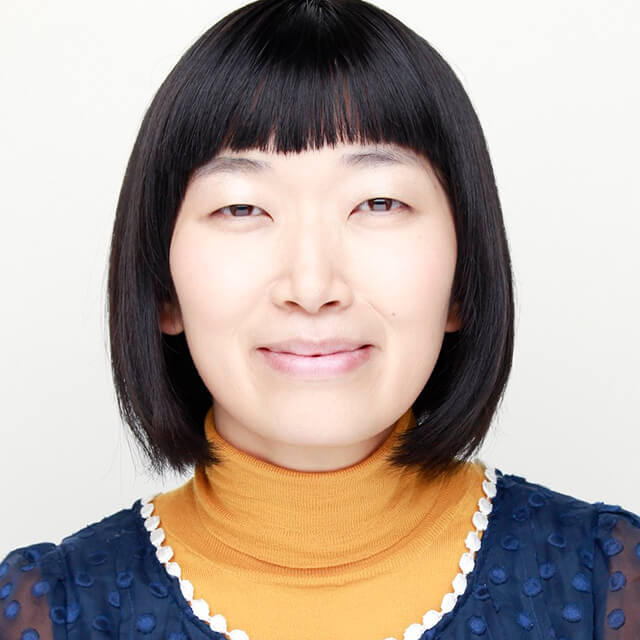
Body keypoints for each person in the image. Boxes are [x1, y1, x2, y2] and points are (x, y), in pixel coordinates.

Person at [1, 0, 638, 638]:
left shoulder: (607, 579)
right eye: (242, 208)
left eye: (378, 202)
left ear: (460, 278)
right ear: (163, 289)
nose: (311, 287)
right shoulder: (51, 611)